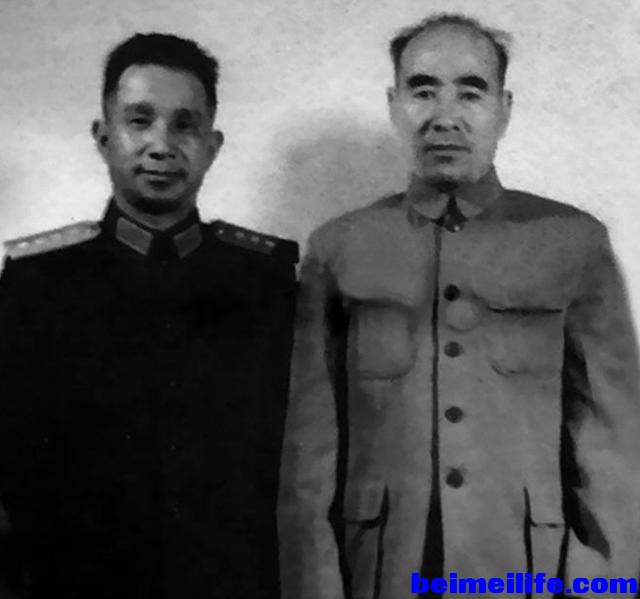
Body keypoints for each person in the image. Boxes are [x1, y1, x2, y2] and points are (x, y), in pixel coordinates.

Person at [277, 13, 640, 599]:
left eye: (471, 92)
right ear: (394, 106)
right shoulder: (337, 248)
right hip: (381, 575)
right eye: (423, 91)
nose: (444, 116)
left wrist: (602, 587)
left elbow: (613, 448)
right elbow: (308, 459)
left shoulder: (574, 243)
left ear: (504, 109)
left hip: (525, 576)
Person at [0, 33, 298, 599]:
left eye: (185, 125)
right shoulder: (36, 283)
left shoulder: (267, 282)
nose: (161, 146)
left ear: (213, 145)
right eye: (139, 120)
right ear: (102, 136)